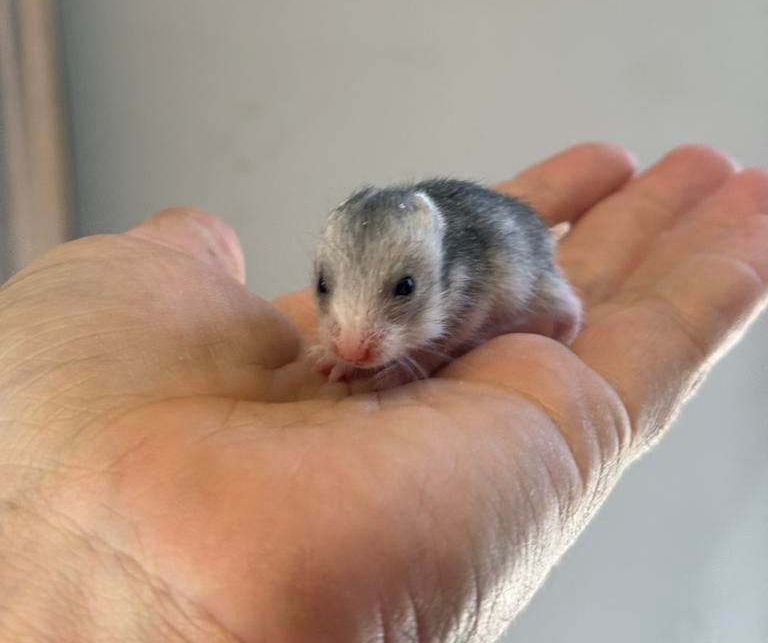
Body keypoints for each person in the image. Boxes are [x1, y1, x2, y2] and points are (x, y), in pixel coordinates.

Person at [0, 143, 766, 643]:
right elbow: (364, 333)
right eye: (331, 292)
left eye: (400, 291)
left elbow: (452, 327)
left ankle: (552, 306)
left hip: (520, 256)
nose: (356, 336)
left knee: (548, 303)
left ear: (432, 266)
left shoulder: (467, 272)